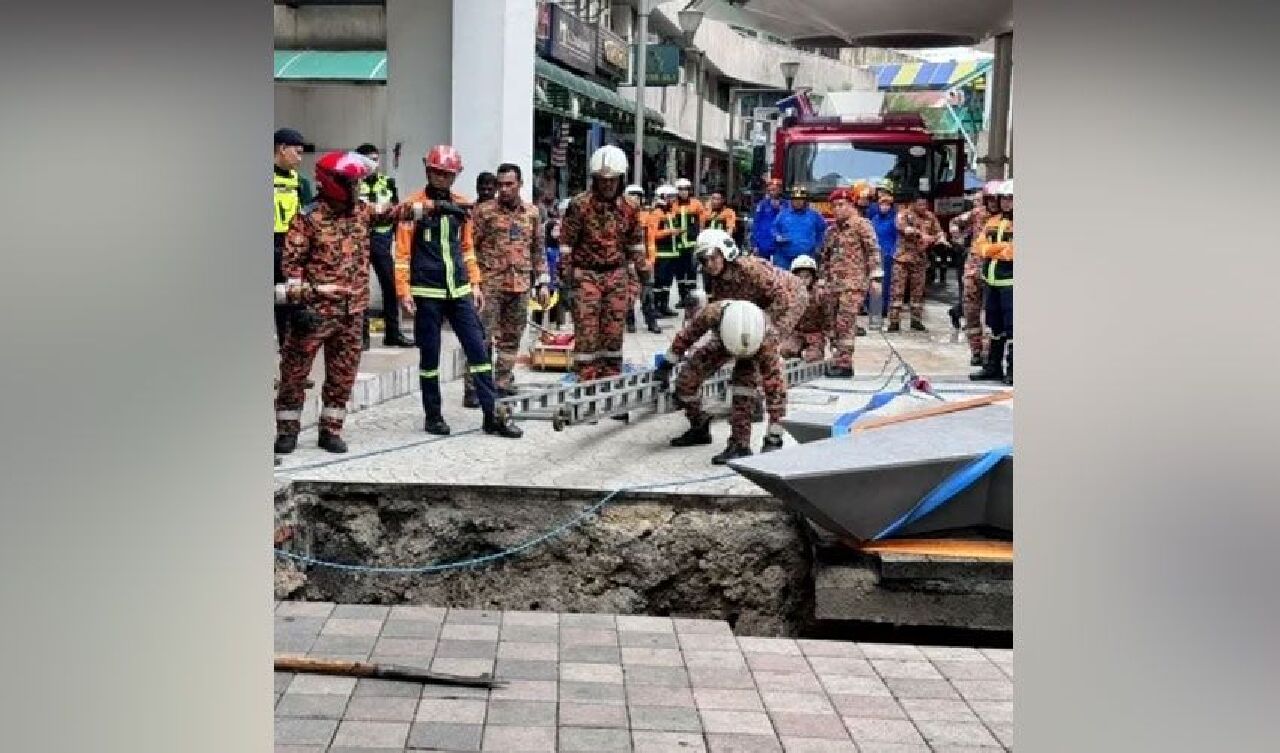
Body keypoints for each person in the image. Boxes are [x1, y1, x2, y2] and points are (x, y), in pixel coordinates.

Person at [273, 150, 414, 455]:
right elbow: (291, 266)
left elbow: (393, 212)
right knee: (294, 374)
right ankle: (287, 431)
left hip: (352, 314)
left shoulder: (361, 212)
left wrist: (433, 208)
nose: (357, 189)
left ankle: (330, 430)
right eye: (352, 184)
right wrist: (298, 308)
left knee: (342, 377)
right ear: (334, 182)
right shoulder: (308, 219)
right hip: (314, 314)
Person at [393, 144, 523, 438]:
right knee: (430, 358)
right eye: (438, 173)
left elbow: (467, 250)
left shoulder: (462, 206)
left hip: (460, 290)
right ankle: (433, 415)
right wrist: (404, 292)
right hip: (427, 293)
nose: (443, 179)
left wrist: (475, 284)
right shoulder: (413, 207)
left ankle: (493, 416)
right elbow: (401, 254)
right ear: (429, 171)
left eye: (448, 175)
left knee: (479, 352)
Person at [661, 229, 806, 462]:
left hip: (784, 305)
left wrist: (760, 325)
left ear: (725, 252)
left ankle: (762, 439)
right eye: (703, 260)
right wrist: (670, 359)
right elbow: (695, 329)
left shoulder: (752, 270)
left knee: (750, 375)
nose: (708, 264)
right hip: (738, 320)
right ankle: (701, 427)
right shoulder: (714, 306)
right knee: (691, 374)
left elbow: (783, 300)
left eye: (712, 257)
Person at [558, 145, 650, 381]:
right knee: (587, 335)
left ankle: (609, 386)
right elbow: (567, 245)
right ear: (594, 179)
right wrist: (566, 282)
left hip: (617, 276)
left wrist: (642, 278)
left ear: (621, 179)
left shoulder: (630, 208)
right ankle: (587, 387)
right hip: (586, 275)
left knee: (613, 336)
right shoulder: (579, 205)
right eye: (603, 180)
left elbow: (635, 245)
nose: (608, 185)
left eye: (613, 180)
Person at [657, 299, 785, 465]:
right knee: (686, 380)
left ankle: (739, 446)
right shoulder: (712, 314)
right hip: (723, 343)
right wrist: (667, 364)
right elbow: (687, 336)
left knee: (743, 392)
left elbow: (776, 393)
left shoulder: (768, 341)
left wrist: (774, 438)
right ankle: (699, 427)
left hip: (754, 348)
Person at [468, 162, 550, 398]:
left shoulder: (532, 213)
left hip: (520, 284)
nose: (504, 189)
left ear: (520, 184)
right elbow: (470, 247)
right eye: (500, 185)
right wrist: (473, 283)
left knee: (511, 338)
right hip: (489, 285)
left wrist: (543, 282)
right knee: (481, 338)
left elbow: (538, 249)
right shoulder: (484, 212)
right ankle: (474, 387)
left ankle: (502, 381)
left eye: (509, 184)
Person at [353, 143, 414, 350]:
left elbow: (396, 211)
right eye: (369, 159)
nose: (374, 163)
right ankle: (362, 337)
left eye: (376, 159)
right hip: (358, 241)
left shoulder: (388, 183)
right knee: (359, 288)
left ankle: (393, 333)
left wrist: (397, 239)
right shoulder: (352, 183)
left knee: (390, 286)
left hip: (382, 241)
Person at [819, 187, 883, 377]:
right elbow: (825, 257)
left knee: (845, 323)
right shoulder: (831, 230)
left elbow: (873, 250)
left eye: (841, 205)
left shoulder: (862, 225)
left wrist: (876, 278)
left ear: (850, 205)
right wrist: (822, 281)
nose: (837, 209)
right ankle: (837, 357)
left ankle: (845, 363)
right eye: (834, 206)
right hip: (833, 285)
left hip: (853, 284)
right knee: (831, 323)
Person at [950, 181, 1002, 365]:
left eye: (998, 199)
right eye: (991, 200)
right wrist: (959, 240)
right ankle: (976, 351)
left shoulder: (1006, 219)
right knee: (971, 313)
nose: (995, 203)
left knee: (991, 316)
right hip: (972, 271)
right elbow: (954, 222)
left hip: (994, 272)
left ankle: (989, 353)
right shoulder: (978, 213)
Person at [273, 128, 313, 351]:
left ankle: (290, 367)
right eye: (297, 152)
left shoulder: (302, 183)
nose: (300, 157)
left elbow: (310, 219)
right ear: (282, 149)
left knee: (292, 307)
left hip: (291, 250)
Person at [970, 180, 1014, 385]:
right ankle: (993, 367)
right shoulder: (993, 221)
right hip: (993, 282)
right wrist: (998, 249)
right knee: (994, 327)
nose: (1006, 203)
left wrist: (993, 249)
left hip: (1011, 284)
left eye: (1010, 198)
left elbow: (1013, 252)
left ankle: (1013, 369)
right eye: (1003, 198)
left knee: (1013, 328)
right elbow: (981, 247)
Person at [888, 194, 945, 332]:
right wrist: (921, 234)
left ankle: (916, 320)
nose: (923, 207)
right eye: (920, 205)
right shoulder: (904, 214)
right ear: (913, 204)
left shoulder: (930, 217)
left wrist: (940, 239)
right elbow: (905, 229)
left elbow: (938, 232)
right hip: (902, 259)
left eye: (925, 205)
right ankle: (894, 321)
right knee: (897, 291)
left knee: (918, 292)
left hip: (919, 260)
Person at [623, 184, 662, 334]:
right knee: (628, 294)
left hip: (645, 261)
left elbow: (650, 239)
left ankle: (651, 321)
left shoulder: (647, 215)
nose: (636, 199)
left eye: (639, 196)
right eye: (633, 195)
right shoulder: (621, 216)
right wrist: (628, 262)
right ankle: (630, 321)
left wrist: (651, 259)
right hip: (628, 262)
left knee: (648, 293)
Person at [779, 255, 827, 362]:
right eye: (800, 277)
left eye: (807, 277)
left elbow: (828, 316)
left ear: (813, 278)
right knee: (785, 351)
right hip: (796, 333)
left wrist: (830, 335)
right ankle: (796, 357)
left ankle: (815, 352)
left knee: (812, 357)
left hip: (815, 333)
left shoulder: (819, 294)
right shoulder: (789, 294)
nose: (803, 280)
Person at [770, 186, 827, 272]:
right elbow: (773, 229)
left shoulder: (814, 215)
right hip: (784, 258)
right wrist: (777, 237)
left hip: (806, 259)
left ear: (805, 201)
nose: (798, 202)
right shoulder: (782, 215)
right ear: (791, 200)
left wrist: (818, 246)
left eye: (800, 199)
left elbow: (822, 231)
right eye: (795, 199)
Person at [670, 177, 707, 307]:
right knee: (679, 272)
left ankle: (692, 298)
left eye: (686, 189)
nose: (683, 192)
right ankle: (682, 297)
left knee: (691, 272)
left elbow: (702, 222)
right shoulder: (673, 205)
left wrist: (700, 238)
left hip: (692, 243)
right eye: (680, 189)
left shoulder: (696, 204)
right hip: (678, 244)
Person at [866, 186, 899, 322]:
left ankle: (884, 309)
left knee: (886, 285)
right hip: (875, 255)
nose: (884, 207)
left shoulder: (895, 220)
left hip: (888, 256)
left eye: (887, 205)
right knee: (872, 283)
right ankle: (872, 309)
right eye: (882, 205)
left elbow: (898, 238)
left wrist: (893, 252)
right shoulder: (874, 220)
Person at [649, 184, 682, 317]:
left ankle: (664, 305)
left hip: (672, 253)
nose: (673, 200)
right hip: (661, 253)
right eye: (670, 197)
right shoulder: (656, 213)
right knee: (659, 282)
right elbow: (653, 234)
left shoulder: (670, 213)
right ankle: (656, 306)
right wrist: (670, 232)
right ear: (662, 197)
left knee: (667, 282)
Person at [751, 178, 785, 260]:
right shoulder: (762, 205)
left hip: (780, 247)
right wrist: (755, 245)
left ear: (780, 190)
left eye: (774, 190)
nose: (771, 192)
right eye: (769, 190)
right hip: (763, 246)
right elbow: (756, 225)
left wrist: (779, 209)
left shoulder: (787, 205)